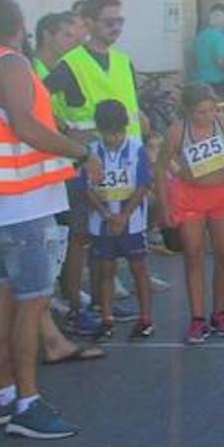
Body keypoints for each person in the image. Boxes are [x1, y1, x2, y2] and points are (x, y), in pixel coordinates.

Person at [0, 0, 90, 439]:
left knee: (3, 295)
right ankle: (27, 402)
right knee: (31, 300)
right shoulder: (13, 65)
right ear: (18, 22)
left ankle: (1, 396)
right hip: (25, 200)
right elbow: (25, 125)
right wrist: (80, 150)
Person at [45, 0, 142, 337]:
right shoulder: (71, 63)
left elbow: (133, 113)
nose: (116, 28)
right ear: (88, 24)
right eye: (108, 22)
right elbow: (38, 100)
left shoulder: (123, 61)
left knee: (107, 237)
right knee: (81, 236)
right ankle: (74, 307)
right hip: (87, 162)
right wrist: (66, 131)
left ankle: (102, 300)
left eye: (120, 21)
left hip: (123, 163)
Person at [157, 84, 224, 343]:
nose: (208, 116)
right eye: (201, 112)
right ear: (188, 111)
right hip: (190, 197)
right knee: (194, 256)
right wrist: (165, 206)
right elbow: (159, 169)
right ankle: (198, 318)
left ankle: (219, 313)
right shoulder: (178, 132)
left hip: (223, 195)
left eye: (212, 110)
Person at [82, 100, 154, 343]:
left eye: (117, 132)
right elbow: (87, 188)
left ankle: (145, 318)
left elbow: (143, 185)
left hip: (131, 221)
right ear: (99, 131)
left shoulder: (136, 149)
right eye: (107, 133)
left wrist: (123, 215)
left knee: (139, 270)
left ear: (124, 128)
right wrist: (105, 213)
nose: (113, 138)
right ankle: (107, 319)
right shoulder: (92, 151)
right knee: (106, 271)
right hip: (103, 221)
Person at [193, 5, 224, 99]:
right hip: (217, 82)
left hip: (201, 80)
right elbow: (221, 61)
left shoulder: (201, 35)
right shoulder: (220, 38)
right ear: (220, 17)